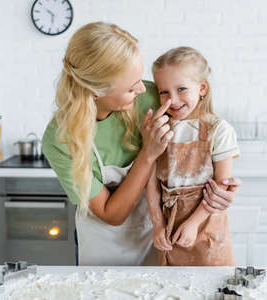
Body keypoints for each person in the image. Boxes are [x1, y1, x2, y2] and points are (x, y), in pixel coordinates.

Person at [42, 22, 241, 266]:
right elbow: (111, 214)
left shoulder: (152, 97)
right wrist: (147, 154)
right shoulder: (61, 139)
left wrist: (221, 191)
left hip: (159, 239)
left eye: (140, 78)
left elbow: (202, 144)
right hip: (104, 248)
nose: (143, 88)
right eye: (130, 86)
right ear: (95, 92)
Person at [146, 46, 240, 266]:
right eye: (164, 92)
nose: (173, 99)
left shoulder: (218, 129)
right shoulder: (159, 129)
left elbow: (222, 184)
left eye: (181, 89)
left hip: (207, 225)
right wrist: (158, 224)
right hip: (169, 228)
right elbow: (150, 181)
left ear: (202, 88)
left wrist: (193, 223)